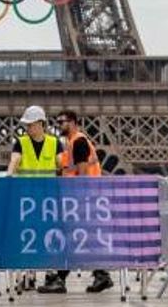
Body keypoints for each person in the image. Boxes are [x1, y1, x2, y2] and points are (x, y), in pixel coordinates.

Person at [53, 110, 113, 294]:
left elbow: (83, 173)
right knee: (79, 239)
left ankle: (61, 279)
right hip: (83, 197)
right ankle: (100, 274)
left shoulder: (78, 141)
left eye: (61, 121)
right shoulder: (73, 143)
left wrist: (79, 200)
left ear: (72, 122)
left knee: (71, 238)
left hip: (81, 198)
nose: (58, 125)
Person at [5, 106, 60, 294]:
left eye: (30, 124)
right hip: (26, 201)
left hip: (47, 201)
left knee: (47, 236)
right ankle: (26, 276)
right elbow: (14, 161)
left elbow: (62, 163)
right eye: (26, 124)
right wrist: (9, 175)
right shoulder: (20, 142)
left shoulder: (55, 143)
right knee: (26, 237)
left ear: (40, 123)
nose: (27, 127)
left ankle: (50, 275)